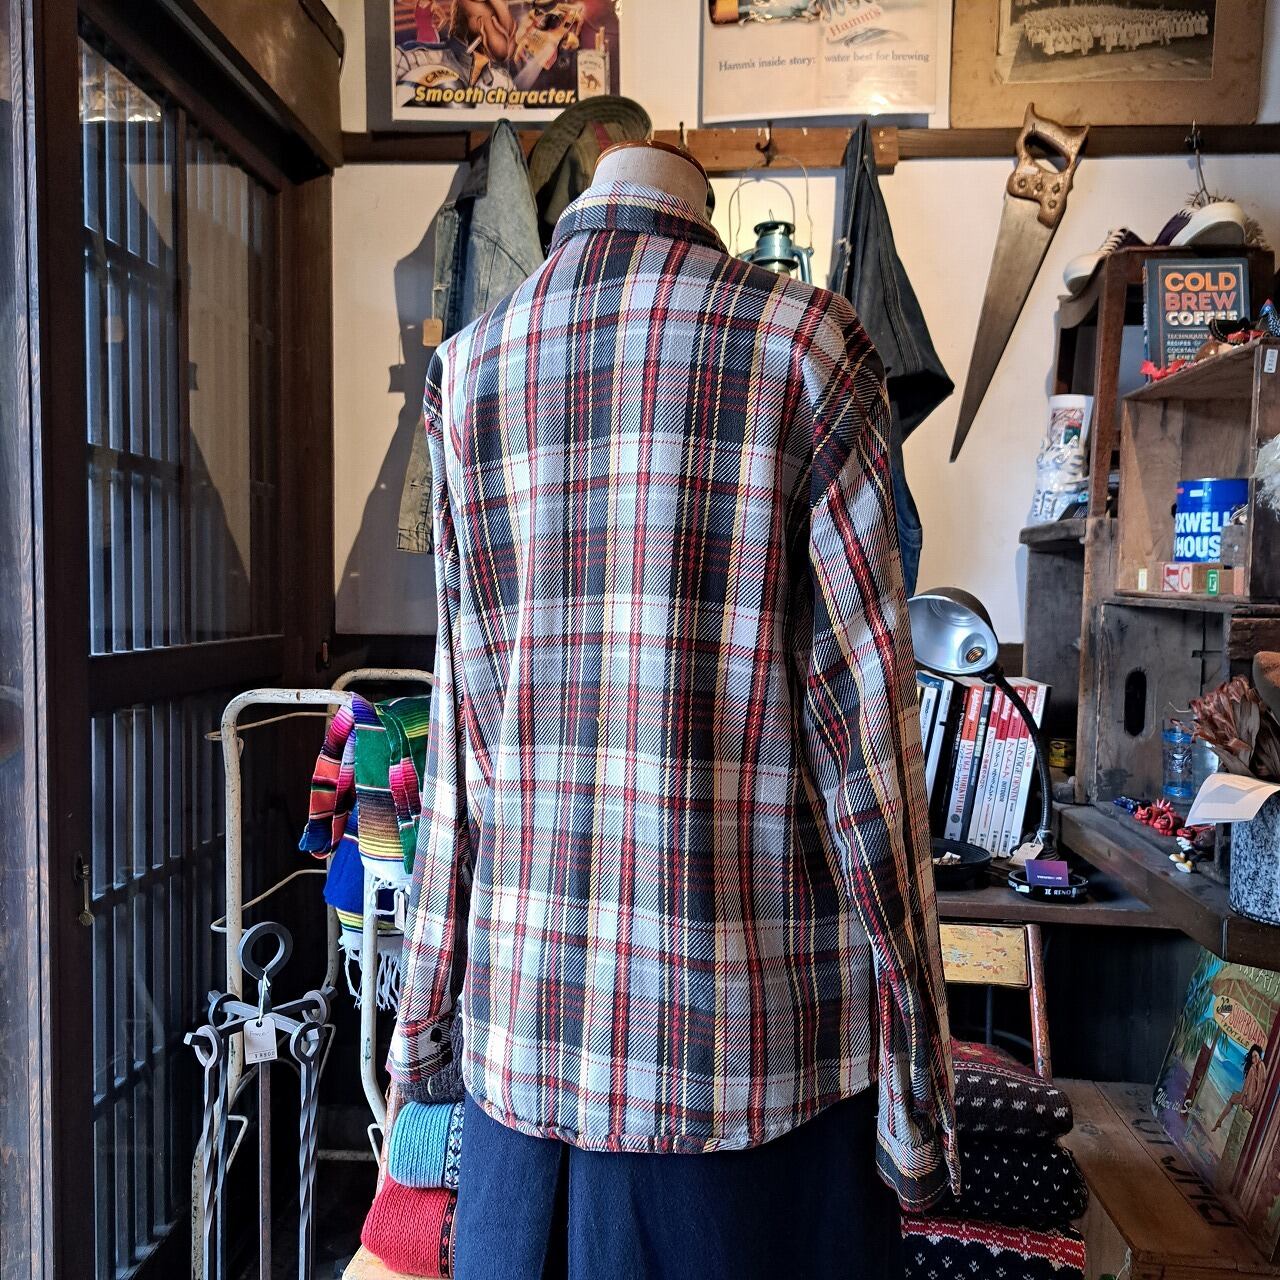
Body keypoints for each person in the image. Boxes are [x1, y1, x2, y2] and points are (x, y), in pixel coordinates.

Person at [388, 140, 957, 1279]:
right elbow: (869, 757)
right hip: (748, 1084)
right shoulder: (804, 343)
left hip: (526, 1070)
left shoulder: (472, 368)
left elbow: (461, 741)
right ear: (702, 206)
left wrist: (424, 1026)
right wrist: (917, 1097)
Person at [1213, 1045, 1268, 1132]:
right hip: (1248, 1099)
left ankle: (1219, 1121)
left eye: (1256, 1056)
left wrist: (1249, 1106)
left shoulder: (1261, 1066)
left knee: (1232, 1098)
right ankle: (1219, 1121)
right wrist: (1242, 1096)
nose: (1254, 1059)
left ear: (1259, 1055)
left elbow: (1258, 1091)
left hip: (1251, 1102)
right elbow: (1247, 1086)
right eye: (1253, 1057)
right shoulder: (1255, 1067)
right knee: (1233, 1097)